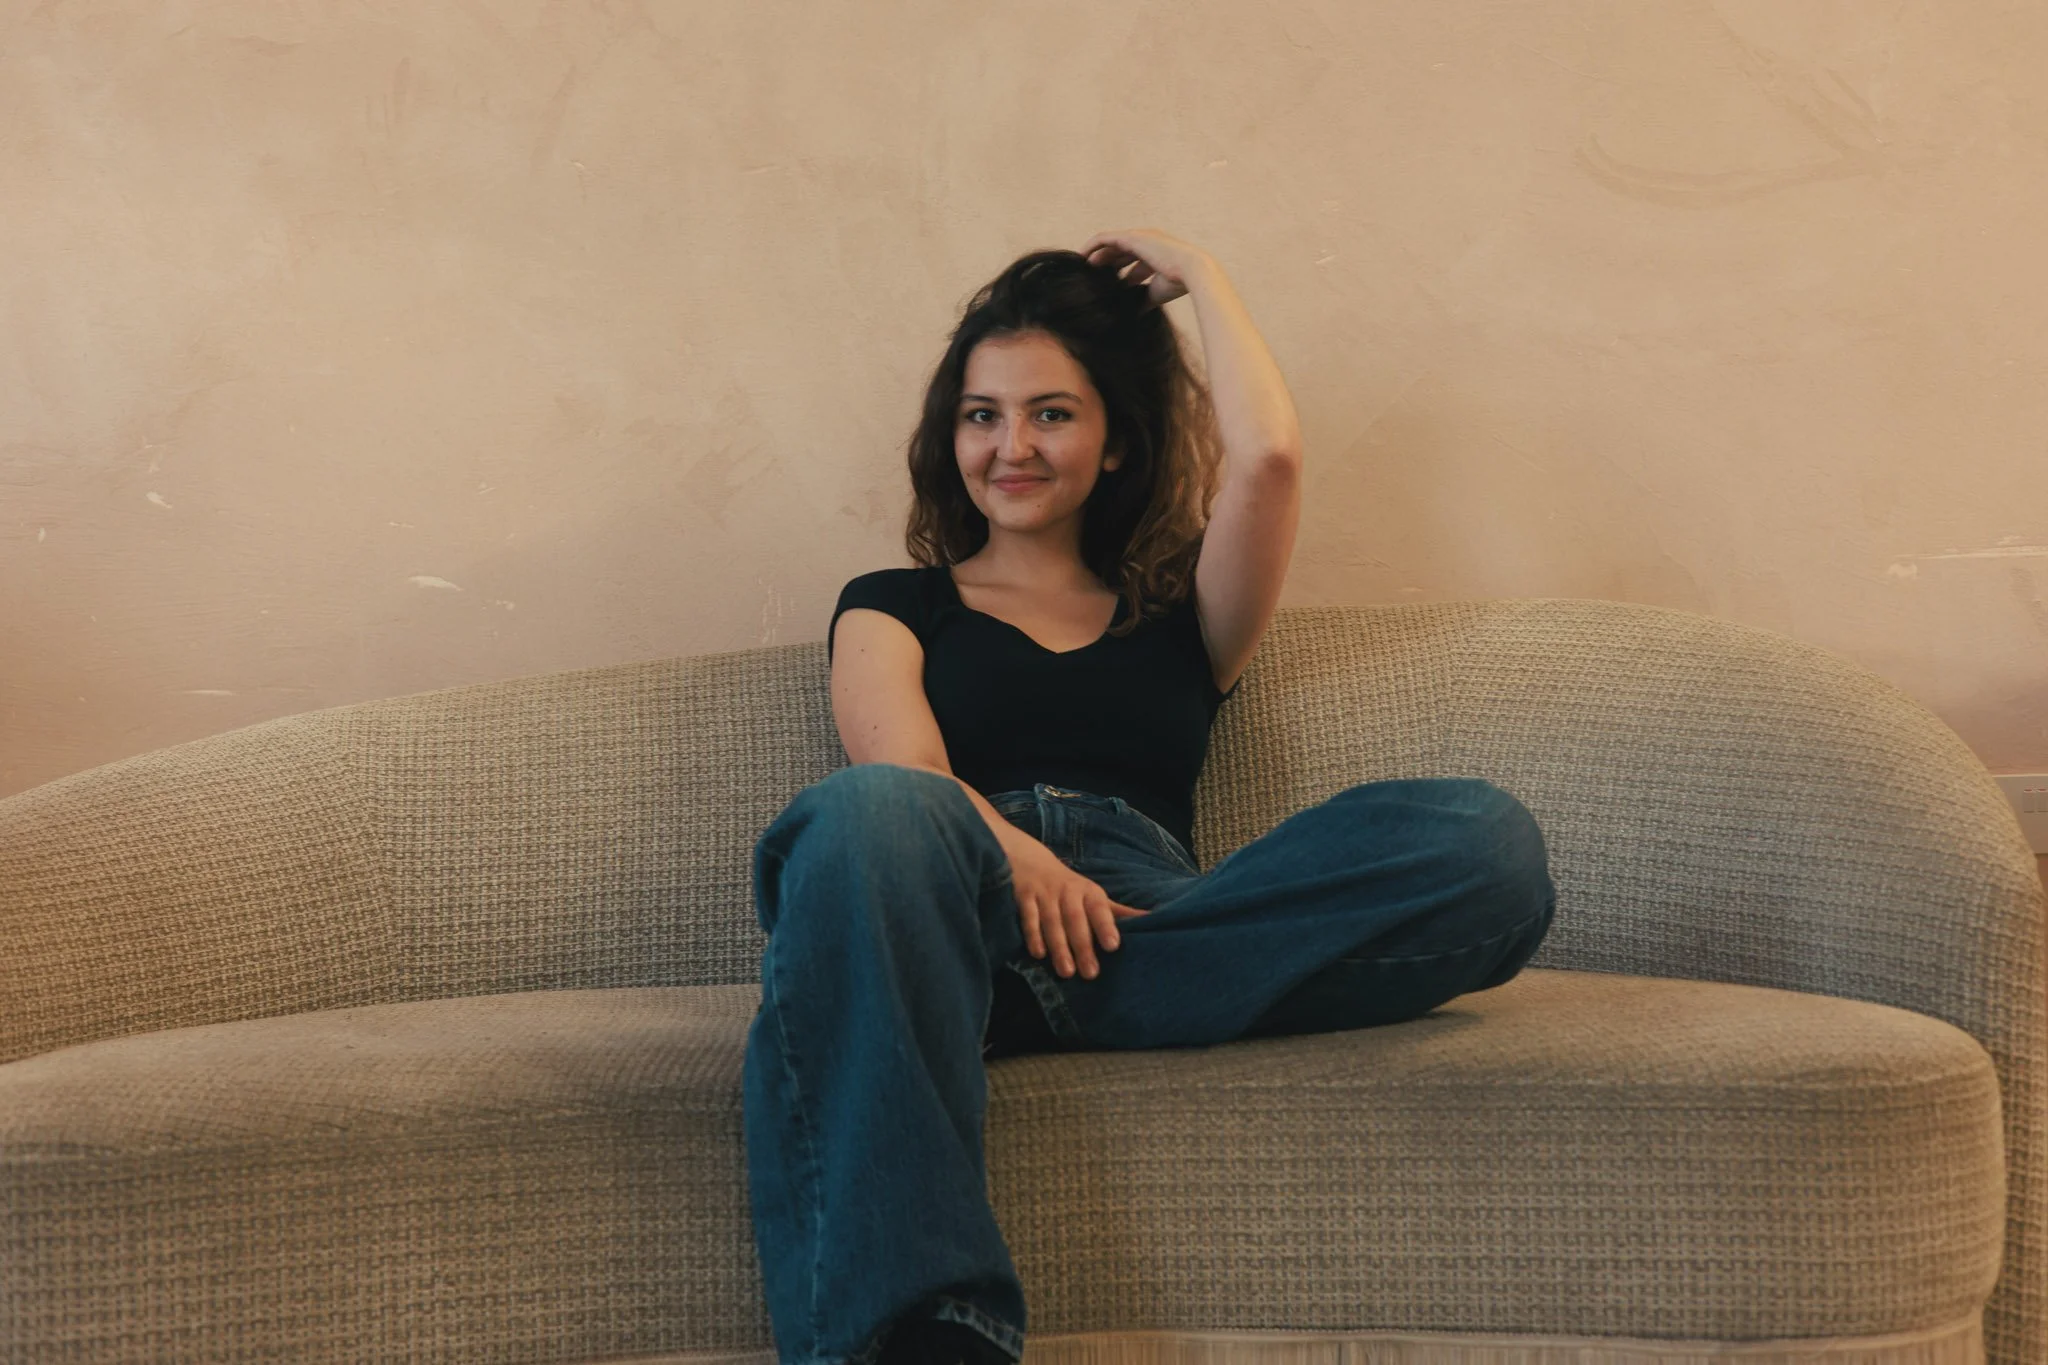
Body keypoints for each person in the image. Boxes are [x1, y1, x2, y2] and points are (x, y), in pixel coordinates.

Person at [742, 229, 1558, 1365]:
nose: (1009, 445)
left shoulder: (1182, 616)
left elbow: (1266, 459)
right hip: (948, 899)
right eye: (981, 414)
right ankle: (932, 1341)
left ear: (1115, 440)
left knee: (1484, 840)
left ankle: (1040, 1002)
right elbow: (902, 771)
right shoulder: (890, 601)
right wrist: (1012, 852)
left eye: (1051, 413)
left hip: (1146, 934)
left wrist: (1203, 275)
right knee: (860, 818)